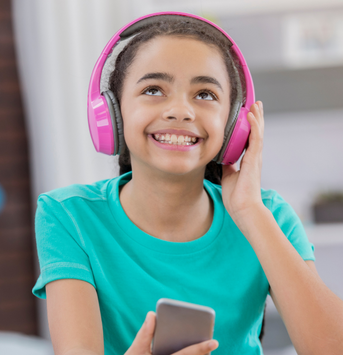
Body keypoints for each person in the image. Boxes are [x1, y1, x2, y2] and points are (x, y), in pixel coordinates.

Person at [32, 13, 343, 355]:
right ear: (112, 111)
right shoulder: (68, 217)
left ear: (234, 124)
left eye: (205, 94)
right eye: (153, 89)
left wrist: (250, 212)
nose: (180, 111)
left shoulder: (269, 215)